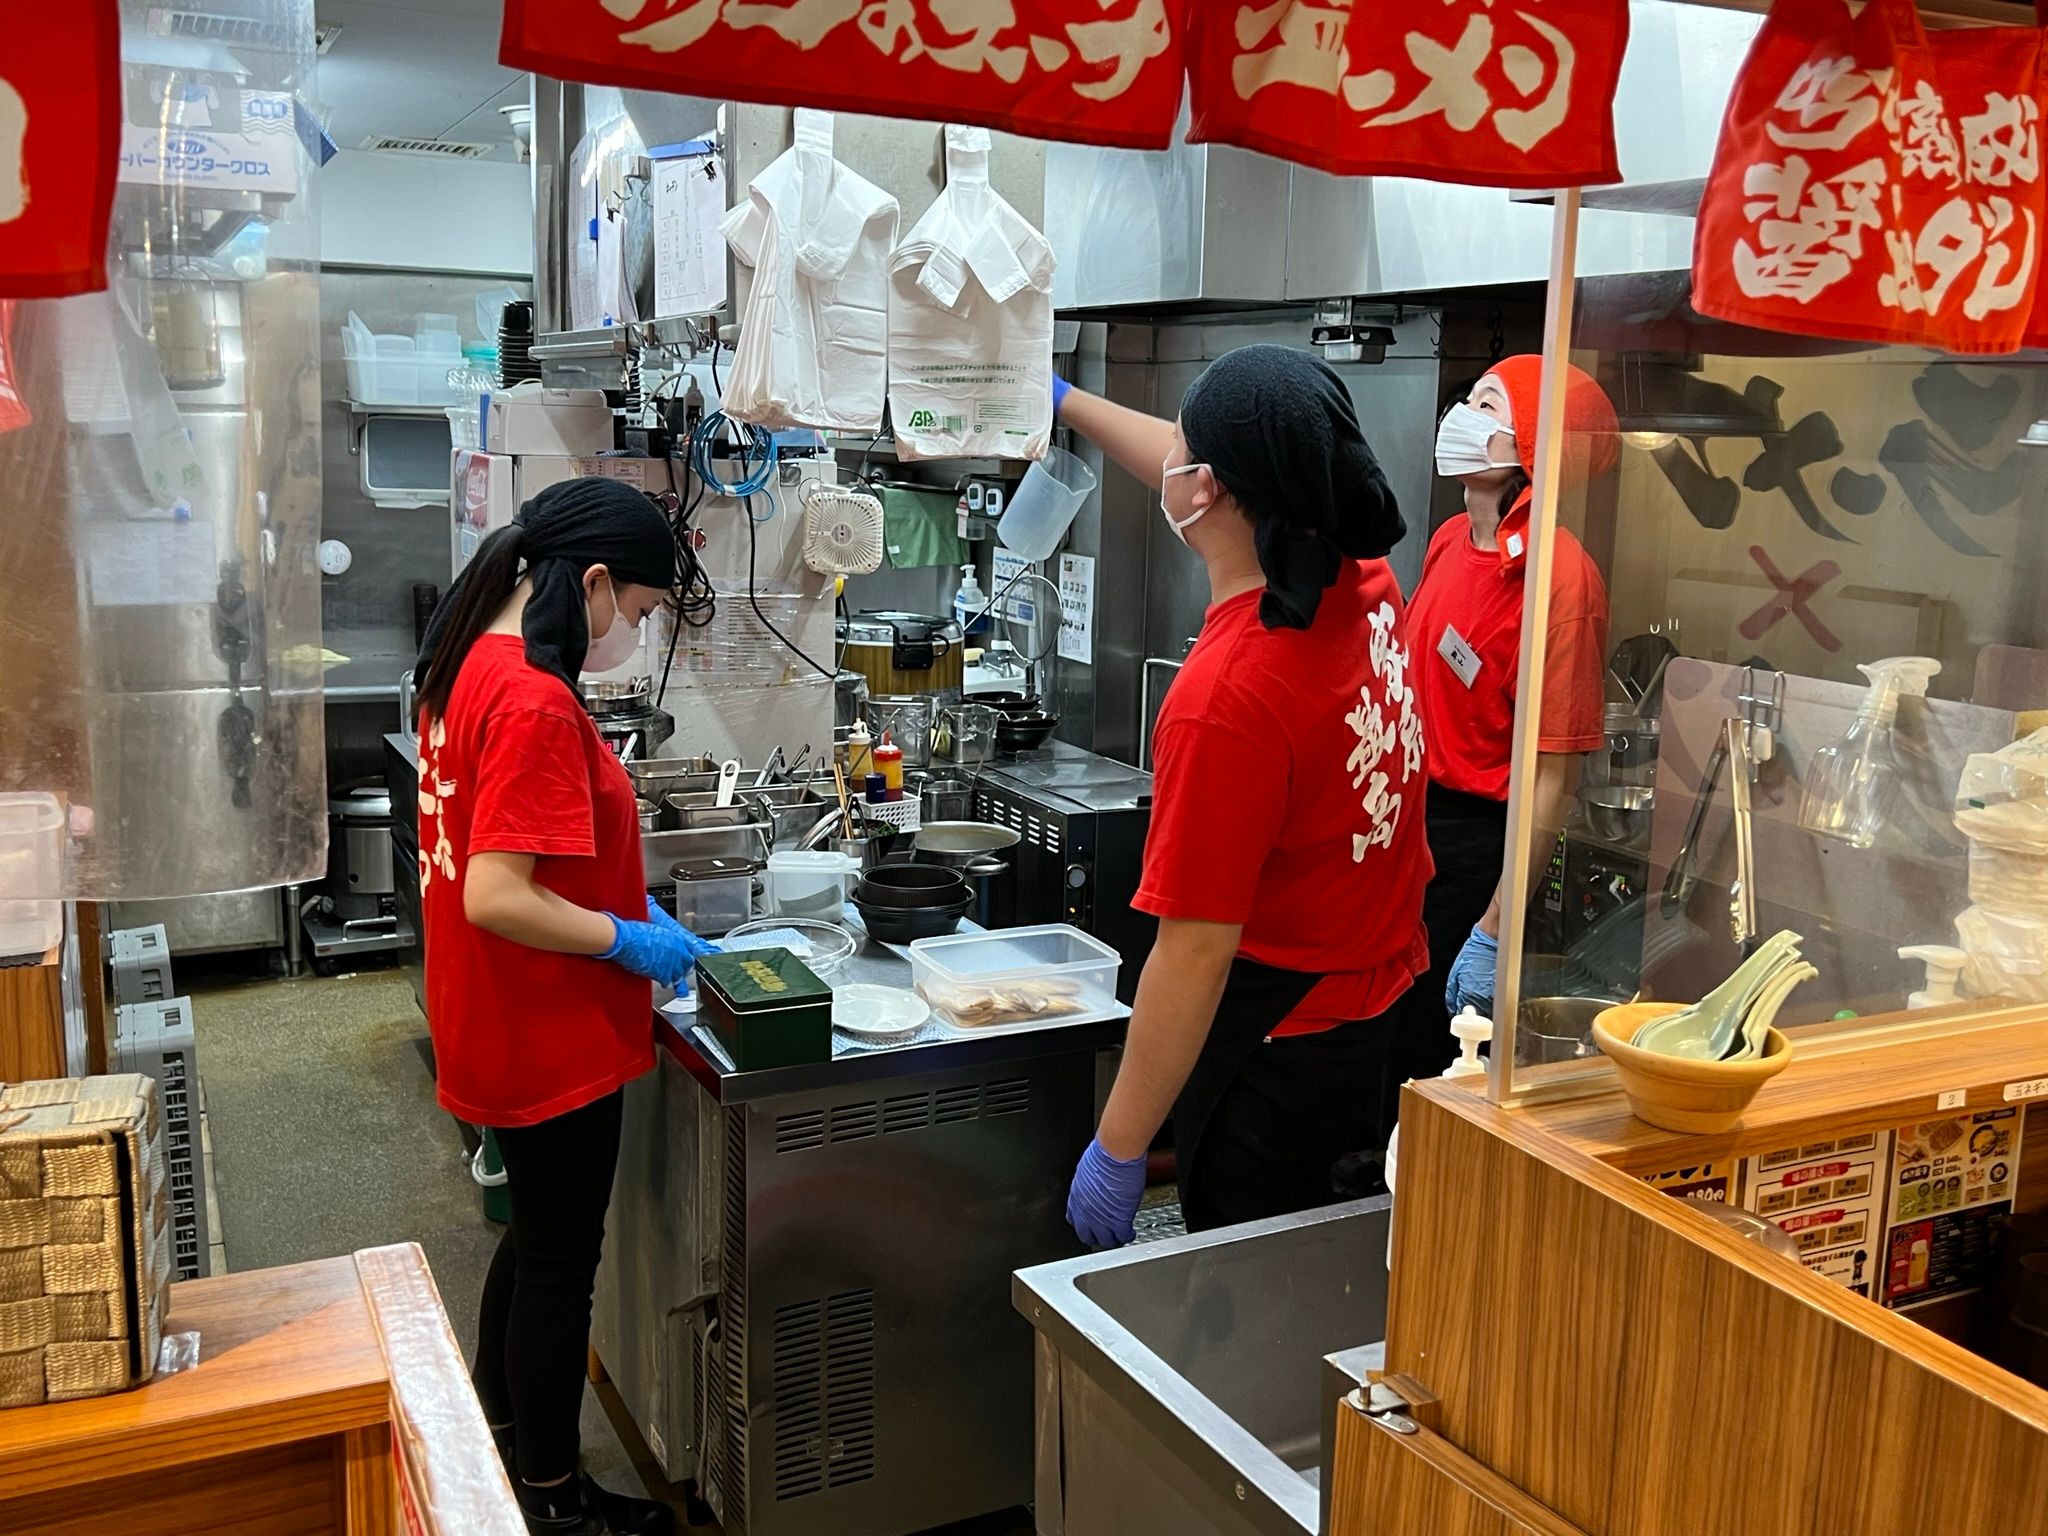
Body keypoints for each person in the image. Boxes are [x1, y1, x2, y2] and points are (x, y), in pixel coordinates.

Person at [1054, 347, 1432, 1244]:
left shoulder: (1228, 698)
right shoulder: (1362, 578)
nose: (1170, 464)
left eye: (1184, 452)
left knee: (1253, 1302)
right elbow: (1206, 467)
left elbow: (1191, 956)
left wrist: (1119, 1145)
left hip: (1278, 1055)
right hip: (1375, 1013)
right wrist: (1065, 402)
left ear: (1209, 489)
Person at [412, 476, 709, 1536]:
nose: (632, 631)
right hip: (545, 1024)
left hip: (489, 1008)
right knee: (557, 1261)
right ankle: (554, 1497)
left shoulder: (463, 662)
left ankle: (502, 1439)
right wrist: (630, 938)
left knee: (533, 1237)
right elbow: (499, 892)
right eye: (634, 610)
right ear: (590, 580)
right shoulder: (534, 695)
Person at [1393, 355, 1616, 1108]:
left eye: (1486, 405)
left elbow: (1555, 777)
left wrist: (1494, 925)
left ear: (1529, 445)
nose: (1463, 416)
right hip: (1408, 823)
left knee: (1439, 1054)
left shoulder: (1562, 577)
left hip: (1479, 844)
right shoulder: (1452, 537)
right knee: (1385, 1031)